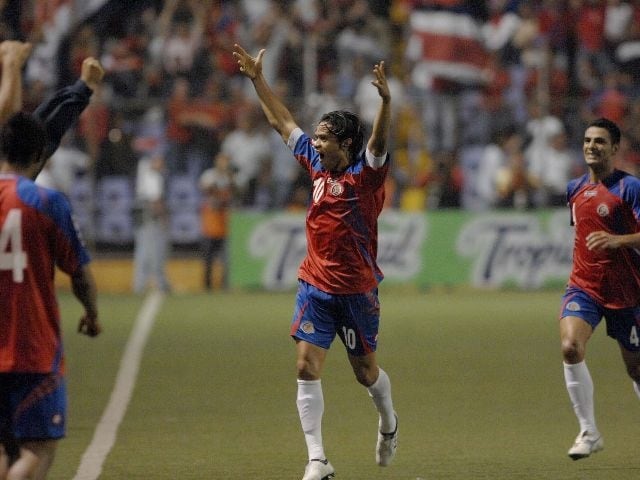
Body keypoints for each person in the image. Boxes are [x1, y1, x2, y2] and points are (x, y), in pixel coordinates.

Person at [233, 44, 398, 480]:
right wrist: (257, 79)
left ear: (345, 143)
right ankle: (318, 459)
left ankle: (388, 421)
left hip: (357, 292)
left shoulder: (366, 178)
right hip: (315, 286)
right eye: (317, 137)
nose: (316, 142)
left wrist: (385, 102)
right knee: (305, 366)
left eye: (324, 137)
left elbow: (379, 143)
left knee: (366, 374)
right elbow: (281, 122)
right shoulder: (315, 164)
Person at [0, 112, 101, 480]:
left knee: (3, 448)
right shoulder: (46, 201)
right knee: (37, 449)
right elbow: (78, 272)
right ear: (39, 155)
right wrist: (91, 313)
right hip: (33, 346)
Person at [559, 117, 640, 460]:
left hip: (628, 294)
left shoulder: (630, 187)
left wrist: (618, 240)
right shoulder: (573, 189)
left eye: (600, 141)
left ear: (615, 148)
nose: (592, 146)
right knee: (570, 347)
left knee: (636, 369)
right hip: (584, 288)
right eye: (588, 140)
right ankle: (589, 431)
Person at [198, 152, 234, 291]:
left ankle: (225, 285)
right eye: (222, 161)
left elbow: (235, 192)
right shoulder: (209, 175)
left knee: (226, 259)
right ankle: (207, 286)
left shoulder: (230, 177)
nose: (224, 164)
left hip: (224, 224)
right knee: (208, 259)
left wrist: (229, 178)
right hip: (209, 224)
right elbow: (205, 189)